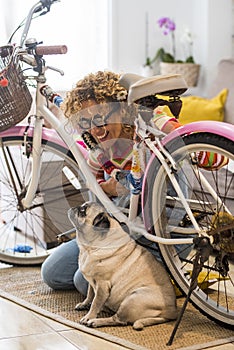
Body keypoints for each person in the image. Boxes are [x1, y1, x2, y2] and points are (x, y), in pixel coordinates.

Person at [41, 70, 227, 296]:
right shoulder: (97, 147)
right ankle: (145, 277)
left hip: (164, 233)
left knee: (84, 282)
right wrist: (106, 187)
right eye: (86, 121)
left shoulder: (149, 122)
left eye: (101, 117)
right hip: (122, 228)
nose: (95, 128)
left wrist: (203, 151)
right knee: (52, 272)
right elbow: (94, 181)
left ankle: (173, 277)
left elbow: (205, 148)